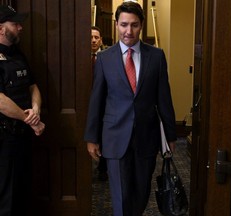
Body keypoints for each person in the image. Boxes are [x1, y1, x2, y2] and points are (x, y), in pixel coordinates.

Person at [84, 1, 176, 215]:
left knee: (141, 192)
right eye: (124, 25)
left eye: (134, 25)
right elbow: (97, 99)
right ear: (117, 24)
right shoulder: (104, 59)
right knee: (121, 195)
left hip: (147, 136)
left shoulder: (156, 56)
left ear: (141, 25)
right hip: (115, 137)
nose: (128, 31)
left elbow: (164, 99)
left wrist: (170, 136)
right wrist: (91, 137)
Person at [0, 5, 45, 216]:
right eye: (15, 23)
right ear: (1, 28)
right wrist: (32, 120)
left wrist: (35, 108)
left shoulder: (18, 54)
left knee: (21, 193)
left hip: (22, 136)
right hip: (4, 139)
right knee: (5, 198)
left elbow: (32, 85)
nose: (20, 27)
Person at [90, 26, 108, 181]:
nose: (94, 40)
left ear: (101, 40)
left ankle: (103, 168)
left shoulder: (107, 58)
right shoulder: (80, 59)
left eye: (96, 37)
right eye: (90, 37)